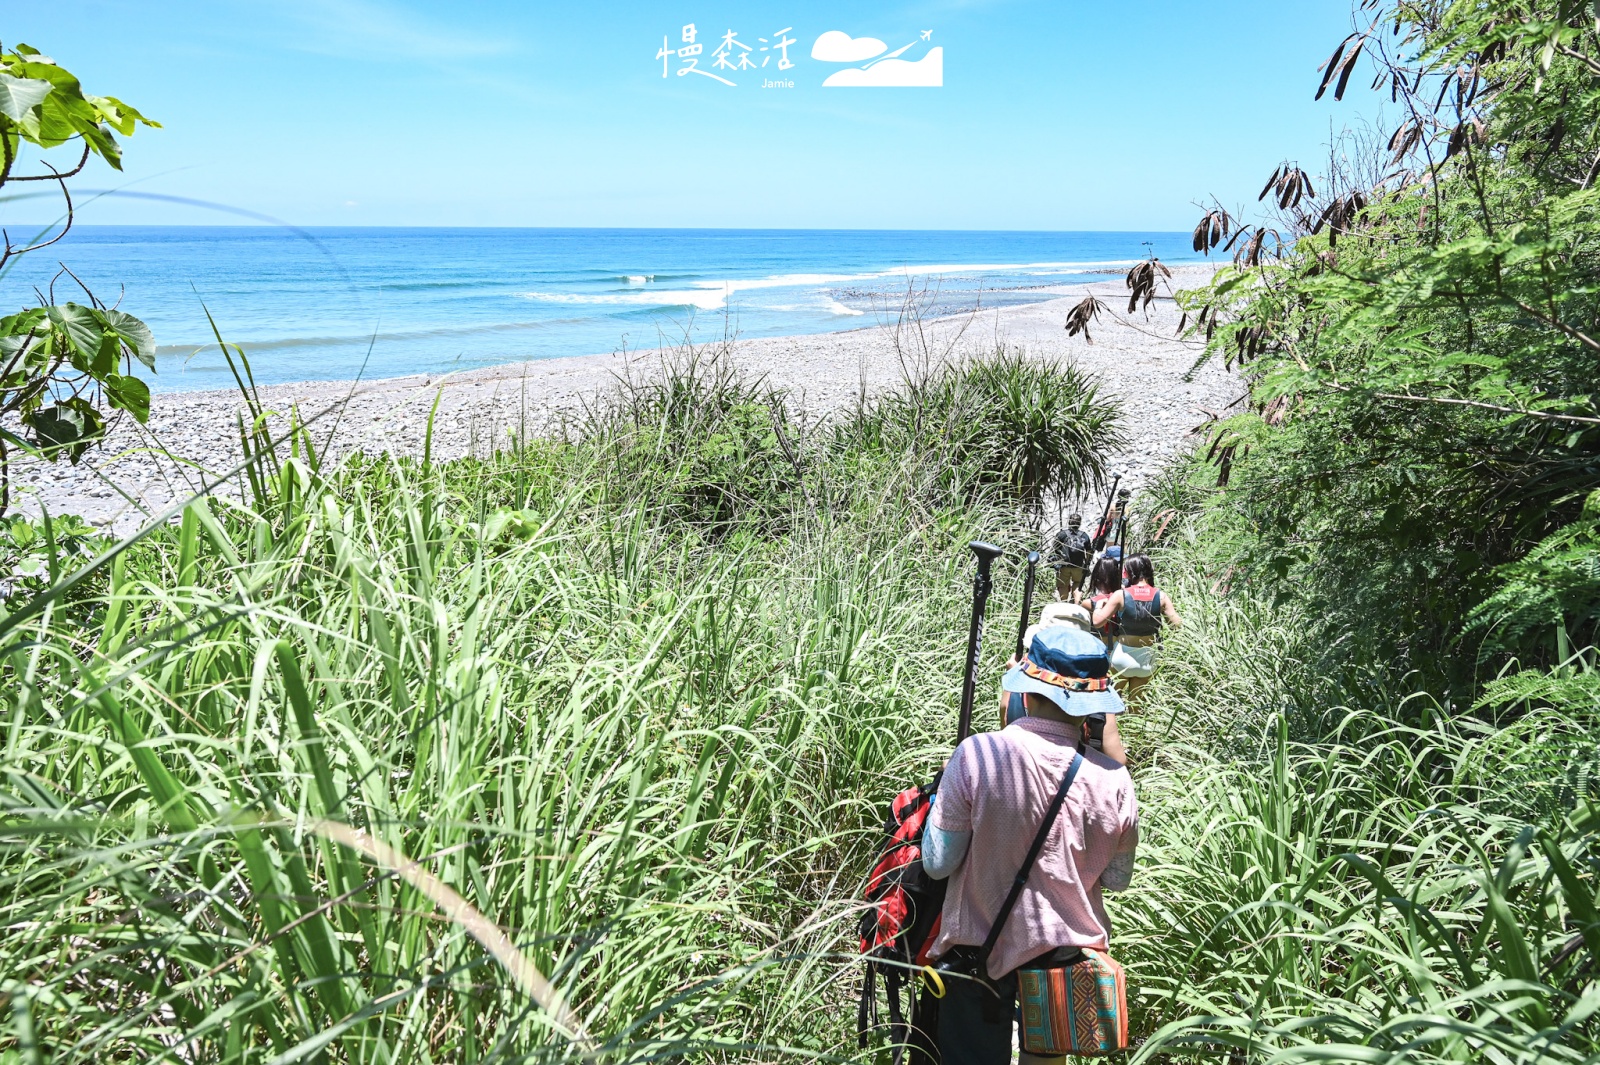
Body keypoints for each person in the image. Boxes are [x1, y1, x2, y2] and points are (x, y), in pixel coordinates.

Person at [924, 625, 1139, 1065]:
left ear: (1028, 691)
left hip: (976, 954)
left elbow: (937, 864)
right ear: (1092, 708)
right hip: (1062, 960)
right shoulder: (1116, 781)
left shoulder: (976, 755)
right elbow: (1117, 881)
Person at [1091, 552, 1183, 706]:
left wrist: (1099, 607)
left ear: (1128, 571)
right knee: (1137, 708)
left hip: (1122, 658)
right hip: (1148, 658)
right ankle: (1133, 730)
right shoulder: (1161, 596)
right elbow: (1177, 625)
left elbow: (1097, 622)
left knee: (1113, 705)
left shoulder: (1121, 595)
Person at [1045, 513, 1092, 600]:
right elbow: (1089, 552)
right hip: (1078, 565)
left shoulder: (1062, 534)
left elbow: (1054, 549)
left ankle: (1063, 604)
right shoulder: (1084, 536)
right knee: (1078, 583)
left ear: (1069, 522)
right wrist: (1086, 564)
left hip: (1064, 566)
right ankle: (1077, 603)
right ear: (1079, 523)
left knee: (1063, 585)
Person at [1084, 555, 1123, 647]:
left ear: (1096, 577)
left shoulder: (1088, 603)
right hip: (1119, 647)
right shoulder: (1124, 600)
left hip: (1096, 649)